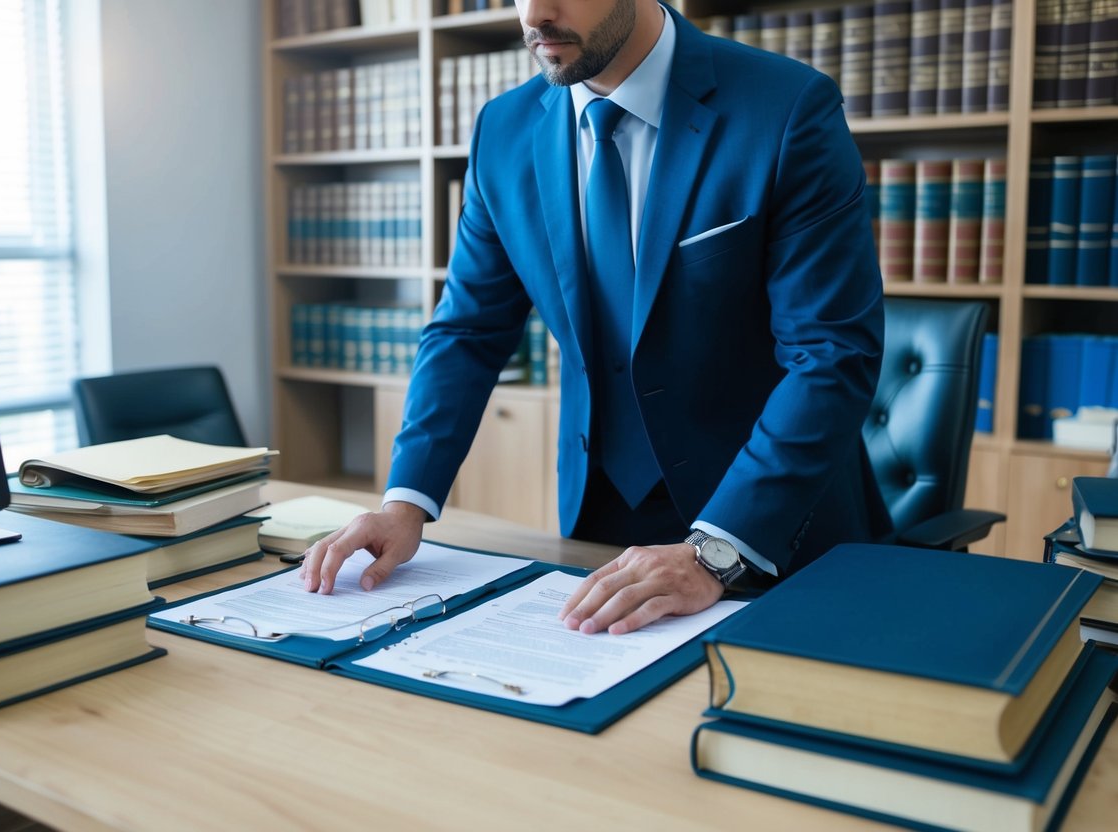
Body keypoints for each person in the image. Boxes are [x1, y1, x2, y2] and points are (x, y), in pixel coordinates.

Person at [302, 0, 891, 634]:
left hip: (767, 531)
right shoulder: (503, 130)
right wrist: (405, 502)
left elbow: (831, 353)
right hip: (598, 524)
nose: (535, 15)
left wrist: (716, 551)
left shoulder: (786, 107)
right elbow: (468, 331)